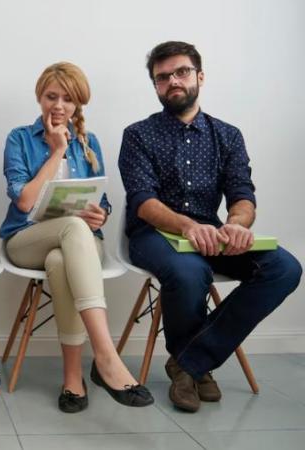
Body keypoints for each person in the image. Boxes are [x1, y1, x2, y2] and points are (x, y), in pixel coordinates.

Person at [119, 41, 302, 412]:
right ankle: (196, 368)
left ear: (199, 76)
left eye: (181, 72)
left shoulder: (228, 135)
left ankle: (189, 362)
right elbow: (143, 200)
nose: (173, 81)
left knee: (284, 268)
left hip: (212, 232)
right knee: (190, 270)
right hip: (151, 234)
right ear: (155, 86)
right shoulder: (138, 134)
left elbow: (242, 193)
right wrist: (187, 226)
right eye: (163, 77)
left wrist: (237, 225)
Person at [0, 62, 153, 412]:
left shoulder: (89, 142)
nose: (59, 105)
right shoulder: (19, 138)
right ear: (39, 97)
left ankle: (73, 378)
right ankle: (106, 356)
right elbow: (24, 202)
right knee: (72, 227)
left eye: (67, 99)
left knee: (60, 259)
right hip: (26, 240)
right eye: (51, 96)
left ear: (78, 103)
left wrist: (102, 214)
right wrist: (56, 151)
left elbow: (102, 199)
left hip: (79, 244)